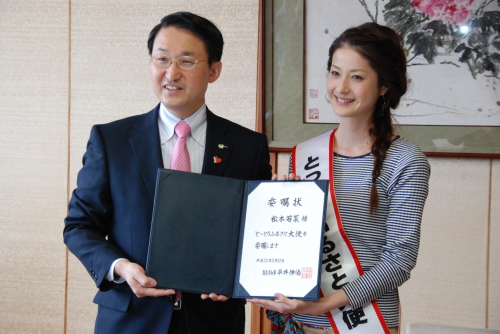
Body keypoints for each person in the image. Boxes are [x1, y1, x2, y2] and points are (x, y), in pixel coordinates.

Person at [64, 12, 272, 334]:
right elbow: (79, 225)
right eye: (161, 59)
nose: (171, 73)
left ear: (214, 70)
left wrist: (237, 277)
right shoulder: (112, 140)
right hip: (129, 319)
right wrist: (119, 267)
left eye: (186, 61)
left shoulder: (249, 146)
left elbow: (257, 233)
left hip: (213, 320)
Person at [248, 22, 430, 334]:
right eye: (335, 72)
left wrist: (322, 304)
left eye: (356, 77)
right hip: (299, 321)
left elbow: (399, 260)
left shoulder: (405, 160)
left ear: (384, 85)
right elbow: (292, 246)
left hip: (364, 324)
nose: (340, 87)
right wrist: (275, 214)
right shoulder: (303, 155)